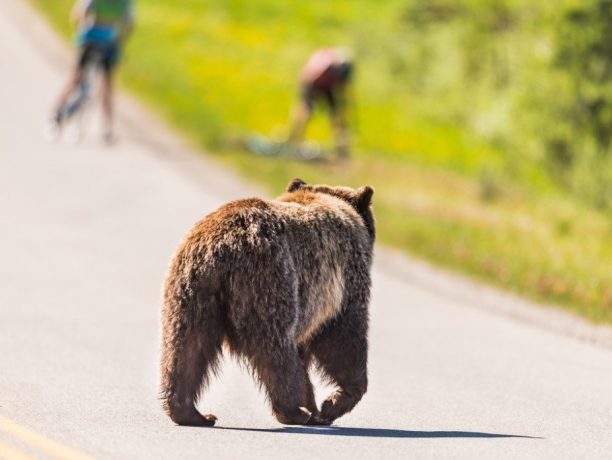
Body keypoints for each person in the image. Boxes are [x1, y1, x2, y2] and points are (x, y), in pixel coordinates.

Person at [49, 0, 134, 143]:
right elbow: (129, 24)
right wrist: (120, 40)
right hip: (103, 43)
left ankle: (106, 127)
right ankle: (107, 128)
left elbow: (78, 16)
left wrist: (81, 34)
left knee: (95, 82)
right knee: (92, 81)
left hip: (95, 41)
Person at [287, 47, 355, 159]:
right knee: (306, 111)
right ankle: (293, 140)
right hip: (312, 82)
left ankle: (342, 149)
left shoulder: (343, 67)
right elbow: (308, 79)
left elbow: (343, 88)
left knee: (337, 116)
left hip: (327, 85)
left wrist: (343, 106)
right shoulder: (324, 66)